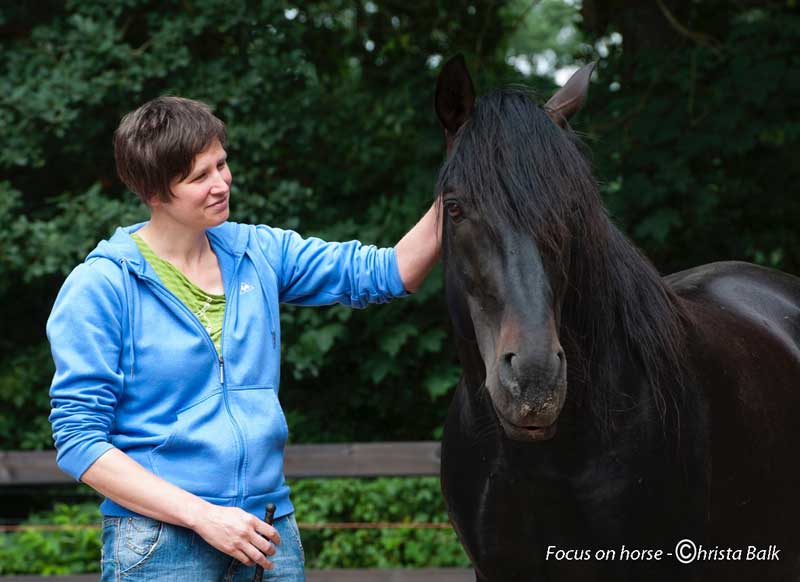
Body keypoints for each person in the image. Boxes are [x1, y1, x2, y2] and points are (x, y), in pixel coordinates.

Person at [46, 96, 442, 581]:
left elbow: (388, 271)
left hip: (267, 533)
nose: (221, 184)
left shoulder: (258, 251)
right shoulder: (102, 286)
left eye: (222, 164)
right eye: (199, 177)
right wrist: (204, 516)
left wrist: (464, 185)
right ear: (154, 191)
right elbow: (79, 441)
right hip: (160, 545)